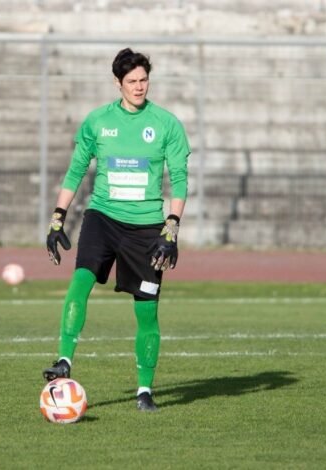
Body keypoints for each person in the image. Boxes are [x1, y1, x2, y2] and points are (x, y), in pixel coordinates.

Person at [43, 48, 190, 412]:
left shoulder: (167, 124)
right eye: (132, 82)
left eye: (143, 80)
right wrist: (58, 216)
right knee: (81, 279)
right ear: (118, 83)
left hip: (147, 229)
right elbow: (75, 171)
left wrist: (171, 228)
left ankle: (144, 391)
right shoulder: (97, 122)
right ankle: (64, 360)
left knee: (147, 310)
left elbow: (180, 181)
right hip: (102, 218)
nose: (139, 87)